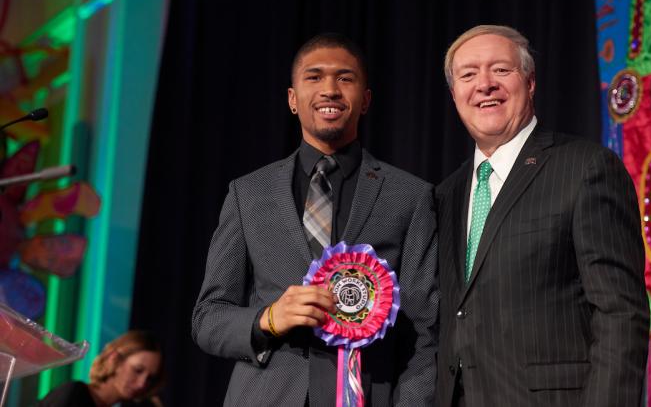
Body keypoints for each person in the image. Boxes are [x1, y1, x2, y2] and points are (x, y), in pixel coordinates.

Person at [192, 33, 438, 406]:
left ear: (366, 100)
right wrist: (268, 318)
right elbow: (208, 318)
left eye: (345, 78)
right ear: (293, 99)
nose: (330, 90)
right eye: (314, 77)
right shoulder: (249, 194)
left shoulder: (410, 195)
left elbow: (426, 329)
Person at [436, 25, 649, 406]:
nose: (484, 84)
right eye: (468, 75)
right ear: (455, 95)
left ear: (530, 82)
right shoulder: (445, 195)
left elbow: (620, 315)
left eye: (501, 70)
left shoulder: (585, 168)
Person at [36, 330, 164, 407]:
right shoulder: (75, 394)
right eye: (138, 370)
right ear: (114, 359)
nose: (142, 383)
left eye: (150, 378)